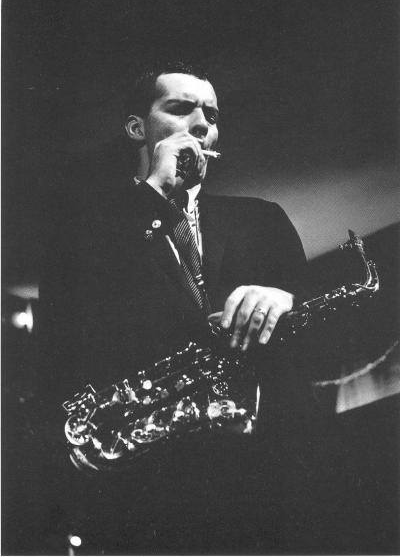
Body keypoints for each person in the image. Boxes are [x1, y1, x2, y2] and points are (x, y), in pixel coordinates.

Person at [39, 61, 321, 554]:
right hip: (146, 495)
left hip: (262, 483)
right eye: (180, 108)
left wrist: (287, 300)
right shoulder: (82, 234)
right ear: (136, 128)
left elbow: (322, 335)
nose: (202, 124)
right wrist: (154, 195)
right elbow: (64, 334)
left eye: (211, 114)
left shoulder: (262, 219)